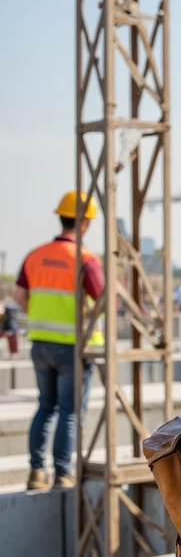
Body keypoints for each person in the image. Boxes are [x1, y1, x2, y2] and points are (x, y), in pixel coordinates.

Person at [13, 192, 104, 491]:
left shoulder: (34, 255)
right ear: (85, 223)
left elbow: (19, 296)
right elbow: (103, 300)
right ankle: (63, 474)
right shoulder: (86, 259)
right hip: (72, 348)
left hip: (40, 343)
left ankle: (37, 472)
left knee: (46, 405)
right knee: (69, 410)